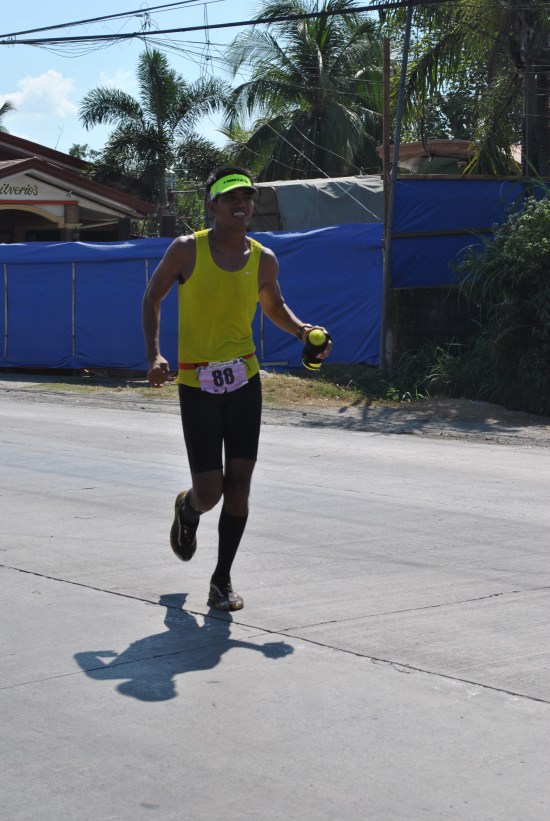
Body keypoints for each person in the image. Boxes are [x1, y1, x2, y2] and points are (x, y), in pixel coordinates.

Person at [142, 166, 331, 612]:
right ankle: (188, 511)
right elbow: (153, 298)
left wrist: (303, 331)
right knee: (210, 491)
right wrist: (154, 354)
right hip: (197, 384)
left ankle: (221, 580)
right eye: (230, 198)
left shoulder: (264, 258)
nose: (241, 204)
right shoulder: (187, 251)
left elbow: (274, 304)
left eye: (246, 197)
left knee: (240, 485)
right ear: (212, 206)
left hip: (245, 381)